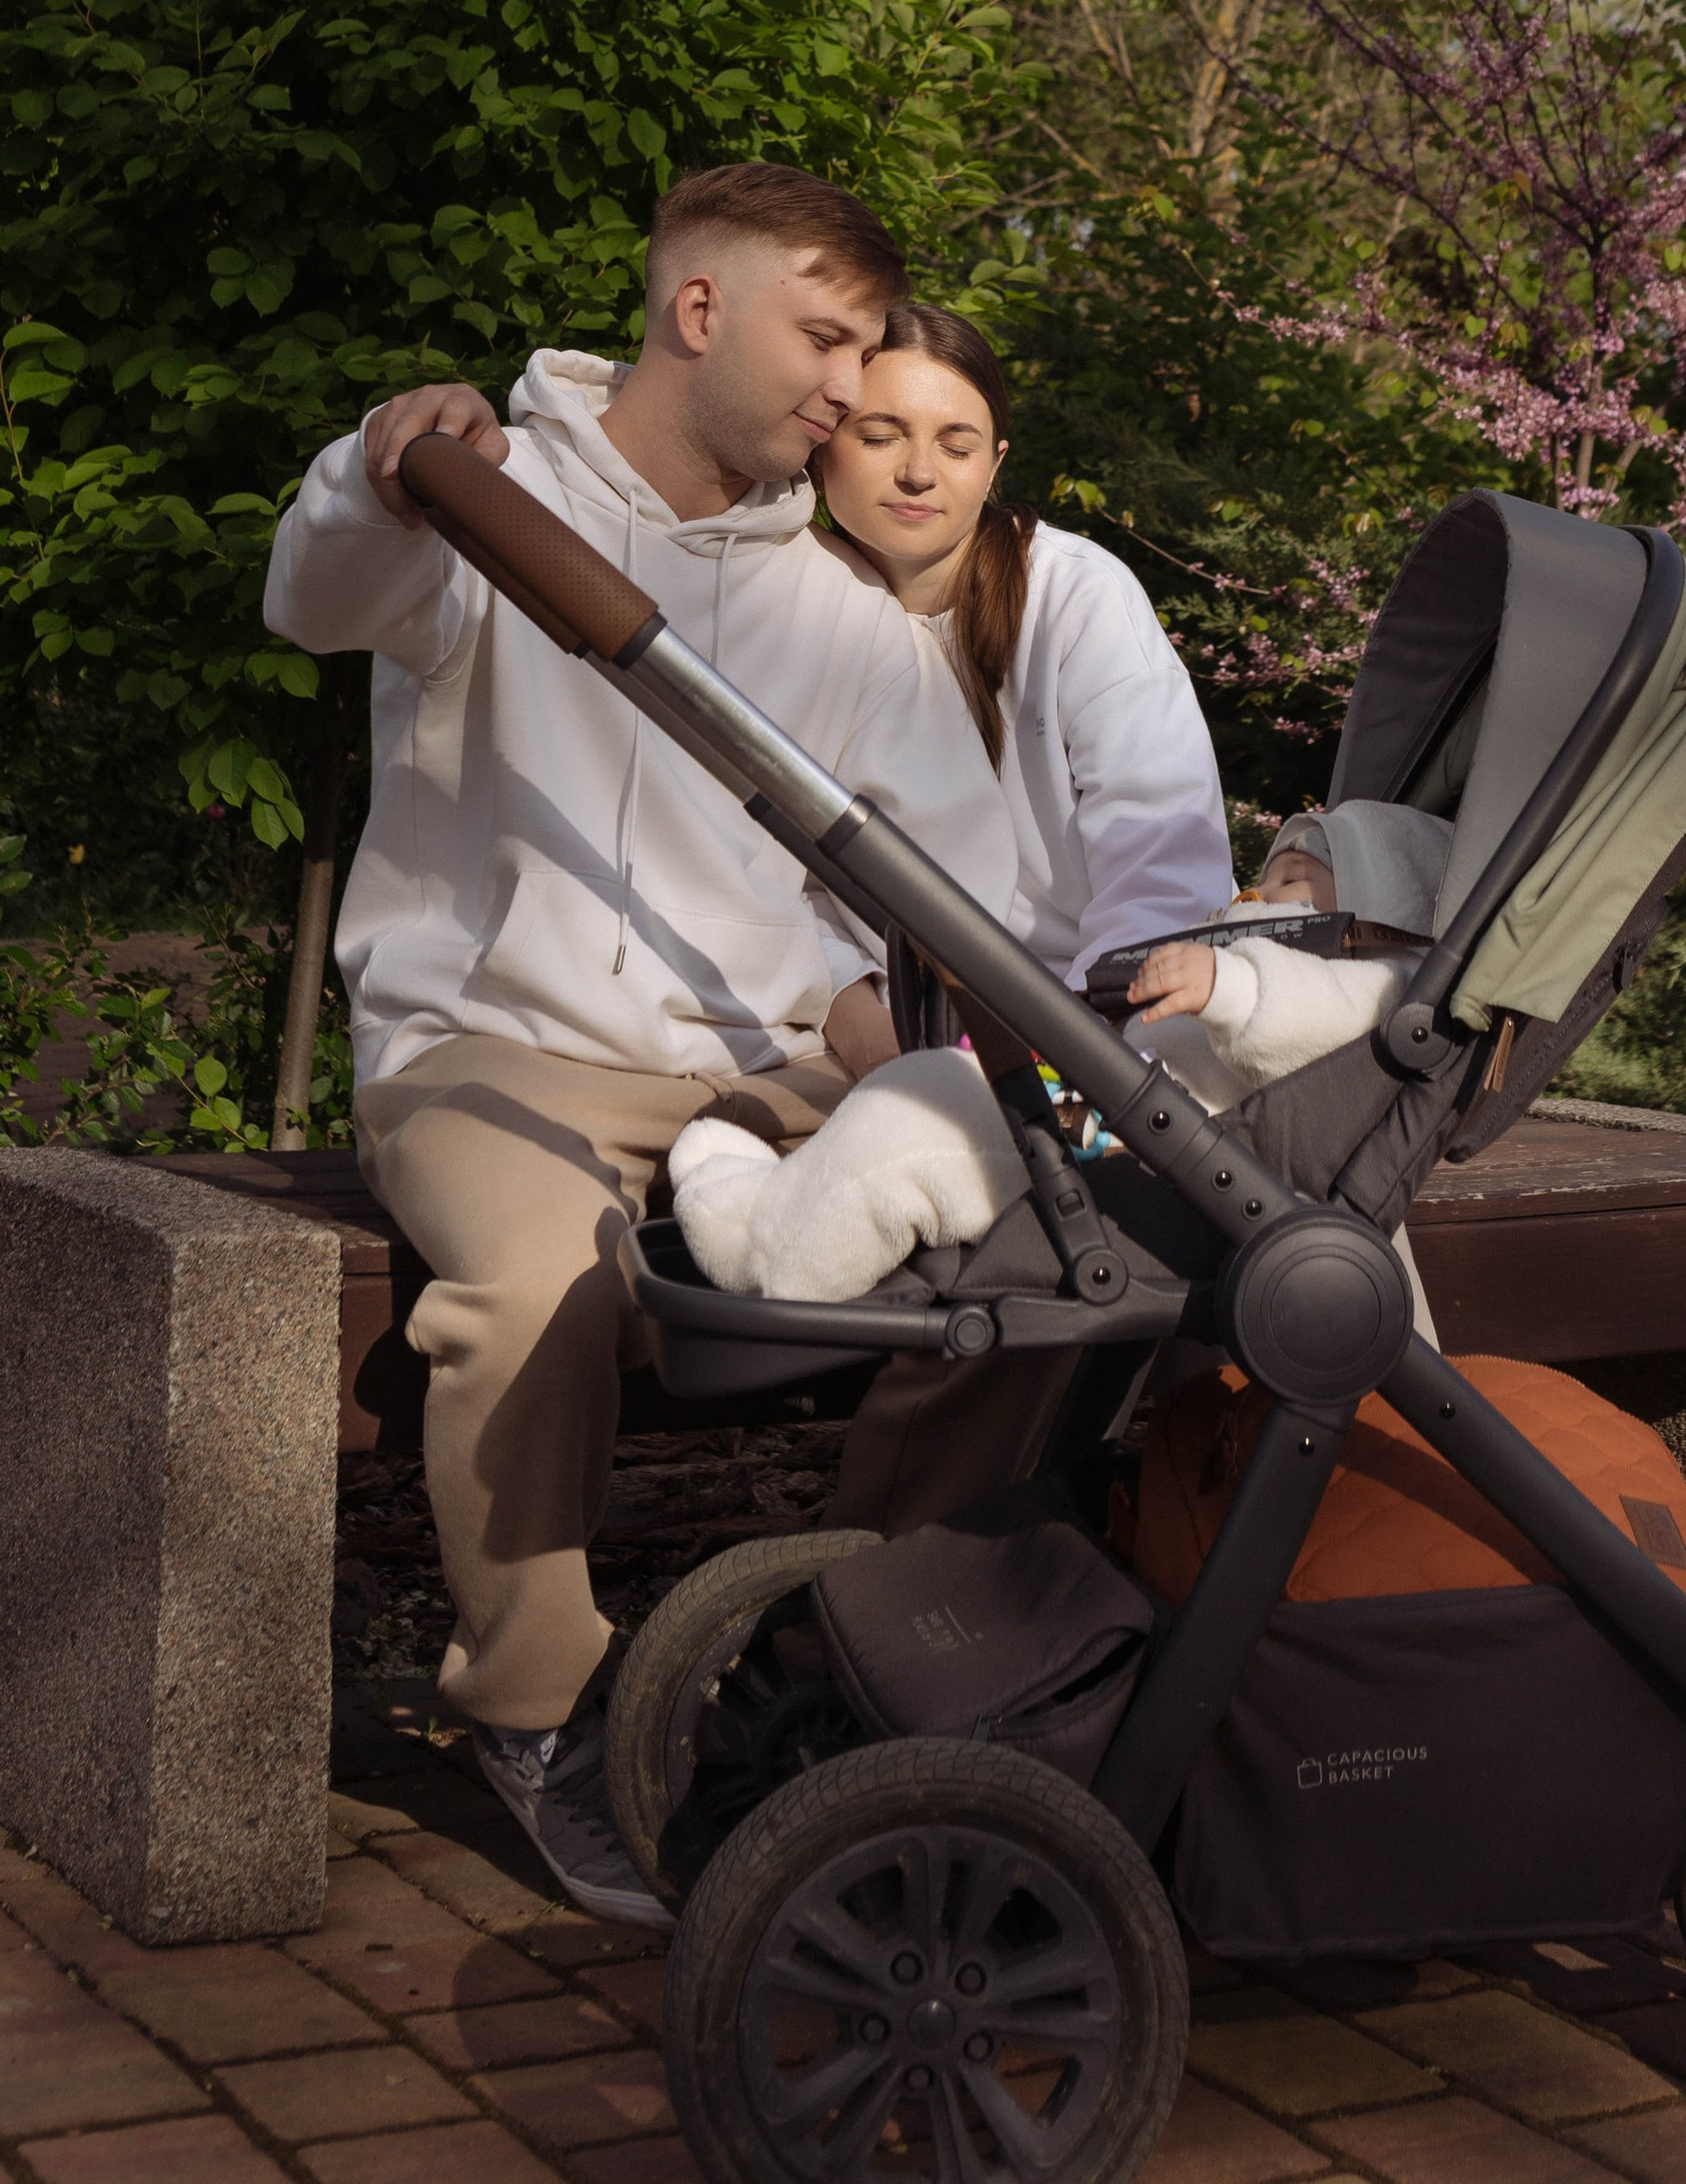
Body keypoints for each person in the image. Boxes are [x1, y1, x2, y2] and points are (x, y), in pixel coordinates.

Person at [262, 165, 1015, 1919]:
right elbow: (316, 595)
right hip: (493, 1050)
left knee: (1034, 1253)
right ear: (699, 312)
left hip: (760, 1076)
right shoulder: (483, 492)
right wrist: (380, 448)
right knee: (537, 1296)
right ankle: (533, 1711)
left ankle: (855, 1662)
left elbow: (927, 908)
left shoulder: (843, 611)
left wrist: (899, 1025)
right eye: (823, 339)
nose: (850, 388)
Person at [813, 302, 1236, 1525]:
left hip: (1106, 1038)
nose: (915, 471)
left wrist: (1091, 1066)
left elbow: (1159, 852)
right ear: (824, 440)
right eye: (880, 432)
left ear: (998, 458)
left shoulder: (1068, 591)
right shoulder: (783, 607)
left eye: (955, 440)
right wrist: (891, 1055)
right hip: (899, 1038)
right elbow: (779, 896)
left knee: (1075, 1251)